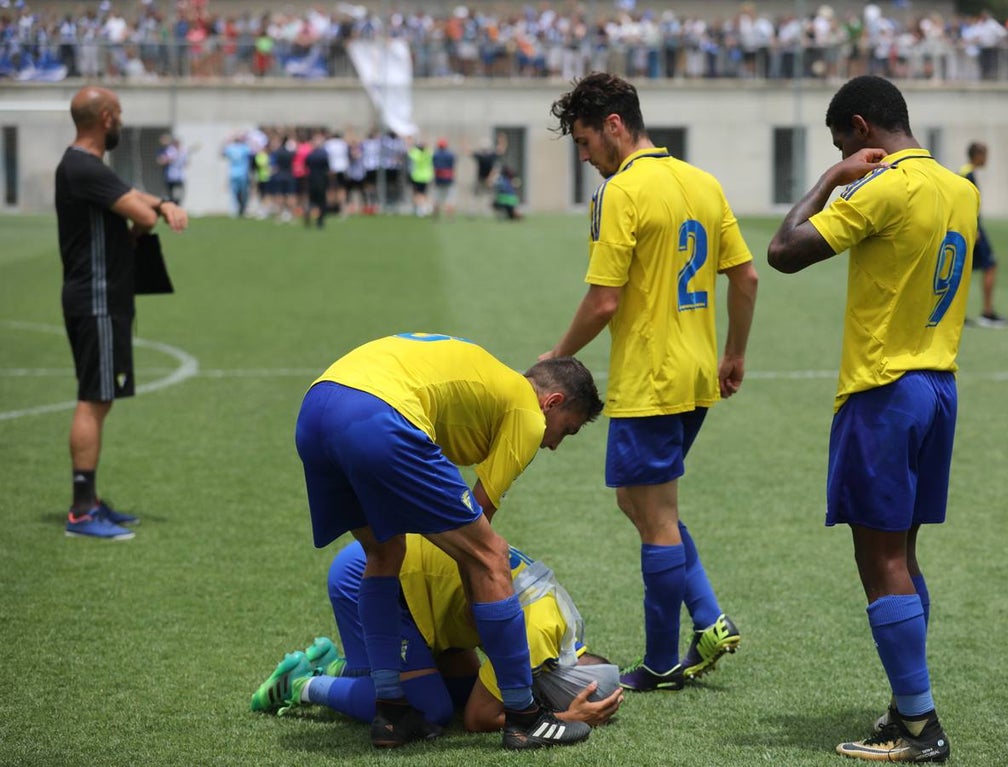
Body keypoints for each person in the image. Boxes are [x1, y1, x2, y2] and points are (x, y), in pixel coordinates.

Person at [767, 75, 976, 762]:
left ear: (861, 128)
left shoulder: (885, 185)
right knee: (903, 554)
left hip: (884, 389)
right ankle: (907, 704)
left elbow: (784, 251)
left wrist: (833, 178)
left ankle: (919, 725)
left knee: (879, 557)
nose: (845, 157)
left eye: (842, 144)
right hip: (938, 385)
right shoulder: (961, 189)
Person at [542, 72, 759, 693]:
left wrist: (556, 356)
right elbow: (745, 277)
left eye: (585, 142)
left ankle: (663, 663)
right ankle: (710, 617)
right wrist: (734, 353)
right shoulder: (702, 182)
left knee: (656, 516)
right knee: (639, 503)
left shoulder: (621, 192)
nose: (585, 157)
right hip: (695, 374)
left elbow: (604, 301)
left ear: (614, 126)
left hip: (650, 377)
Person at [294, 332, 603, 750]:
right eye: (565, 430)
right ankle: (525, 717)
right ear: (552, 402)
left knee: (385, 551)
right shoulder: (527, 412)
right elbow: (479, 534)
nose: (553, 445)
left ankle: (391, 712)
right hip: (379, 412)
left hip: (317, 407)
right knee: (490, 555)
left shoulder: (490, 384)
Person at [250, 535, 623, 733]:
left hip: (405, 585)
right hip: (372, 578)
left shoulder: (561, 632)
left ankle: (339, 666)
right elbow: (479, 718)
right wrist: (567, 718)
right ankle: (301, 684)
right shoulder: (537, 640)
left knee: (463, 689)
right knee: (431, 709)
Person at [55, 86, 189, 540]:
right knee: (93, 398)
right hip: (96, 298)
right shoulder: (83, 166)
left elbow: (133, 196)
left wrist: (161, 203)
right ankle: (80, 512)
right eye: (120, 113)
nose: (122, 121)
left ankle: (90, 501)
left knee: (100, 397)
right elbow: (142, 214)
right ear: (107, 118)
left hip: (102, 297)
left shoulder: (85, 166)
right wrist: (153, 214)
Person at [958, 142, 1007, 327]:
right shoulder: (967, 174)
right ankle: (986, 312)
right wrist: (974, 229)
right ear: (977, 155)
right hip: (973, 229)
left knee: (964, 270)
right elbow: (965, 202)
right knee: (990, 265)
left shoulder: (965, 172)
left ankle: (960, 315)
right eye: (985, 154)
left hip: (969, 227)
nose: (987, 159)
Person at [221, 131, 253, 218]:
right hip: (242, 174)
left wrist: (226, 141)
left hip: (234, 174)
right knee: (243, 194)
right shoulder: (244, 147)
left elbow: (222, 153)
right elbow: (252, 152)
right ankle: (241, 210)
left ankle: (235, 211)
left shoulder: (231, 148)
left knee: (235, 194)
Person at [303, 131, 330, 229]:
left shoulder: (310, 155)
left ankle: (308, 215)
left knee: (311, 200)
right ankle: (320, 221)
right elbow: (327, 167)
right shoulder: (324, 154)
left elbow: (306, 166)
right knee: (322, 201)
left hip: (312, 179)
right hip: (321, 179)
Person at [407, 138, 434, 217]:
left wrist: (410, 143)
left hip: (417, 176)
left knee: (418, 193)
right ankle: (425, 206)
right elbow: (430, 151)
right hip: (426, 176)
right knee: (423, 193)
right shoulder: (428, 153)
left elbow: (410, 151)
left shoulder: (416, 154)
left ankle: (421, 208)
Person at [431, 138, 457, 219]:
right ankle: (449, 216)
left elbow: (434, 166)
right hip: (449, 178)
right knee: (450, 198)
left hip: (438, 179)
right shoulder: (450, 155)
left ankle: (435, 215)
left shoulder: (435, 155)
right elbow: (452, 166)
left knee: (437, 197)